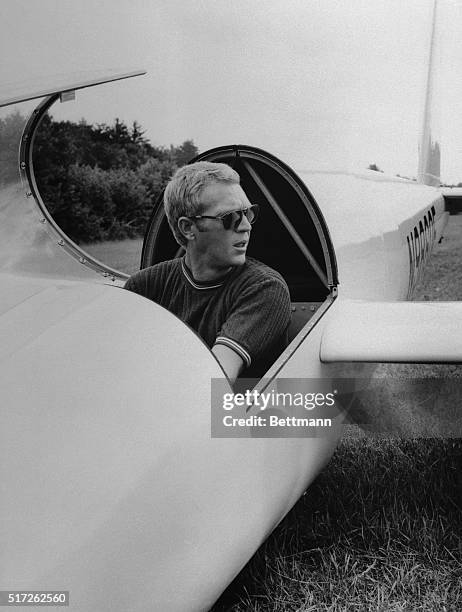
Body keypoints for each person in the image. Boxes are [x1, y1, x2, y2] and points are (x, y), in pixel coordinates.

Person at [124, 161, 291, 383]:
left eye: (248, 213)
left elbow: (214, 379)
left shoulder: (265, 288)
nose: (246, 226)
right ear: (188, 228)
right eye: (230, 217)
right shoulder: (143, 287)